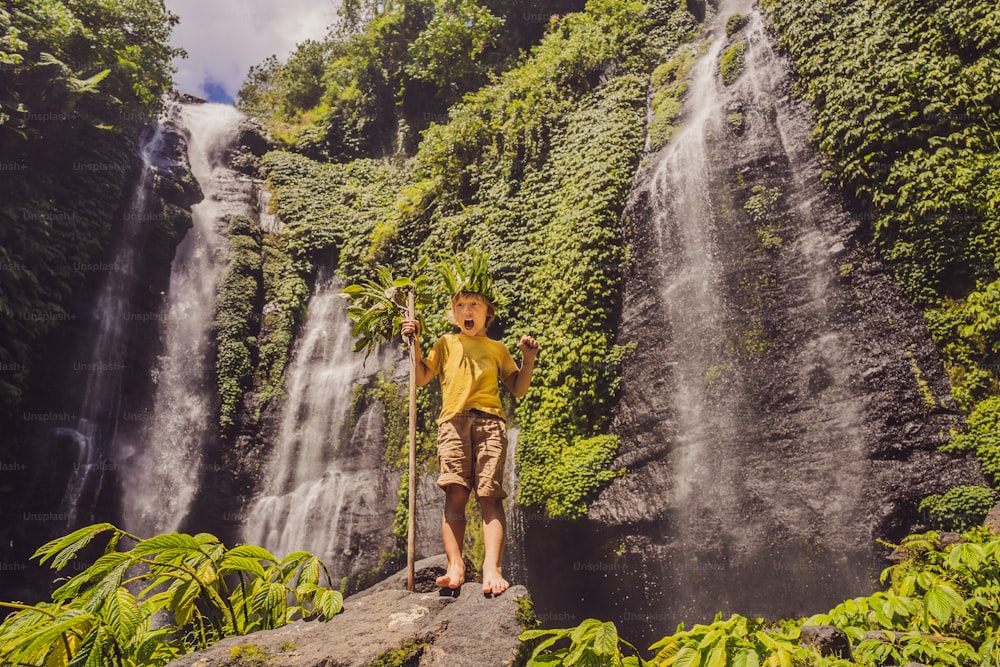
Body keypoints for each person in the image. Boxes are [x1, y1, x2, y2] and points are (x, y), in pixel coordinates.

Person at [400, 290, 539, 596]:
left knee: (489, 495)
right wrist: (415, 341)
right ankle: (455, 566)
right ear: (453, 313)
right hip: (452, 421)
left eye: (473, 304)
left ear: (487, 311)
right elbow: (421, 376)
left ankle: (493, 567)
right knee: (455, 491)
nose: (467, 310)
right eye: (460, 305)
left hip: (490, 422)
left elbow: (517, 388)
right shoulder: (445, 343)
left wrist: (528, 360)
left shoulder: (497, 349)